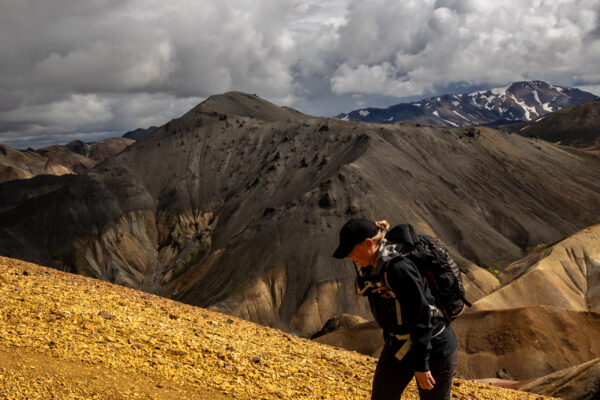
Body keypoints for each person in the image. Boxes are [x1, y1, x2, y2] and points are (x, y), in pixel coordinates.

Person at [332, 218, 458, 400]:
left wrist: (421, 365)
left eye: (351, 251)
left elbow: (421, 316)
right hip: (398, 344)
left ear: (369, 244)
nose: (349, 257)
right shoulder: (373, 265)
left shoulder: (398, 268)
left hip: (433, 348)